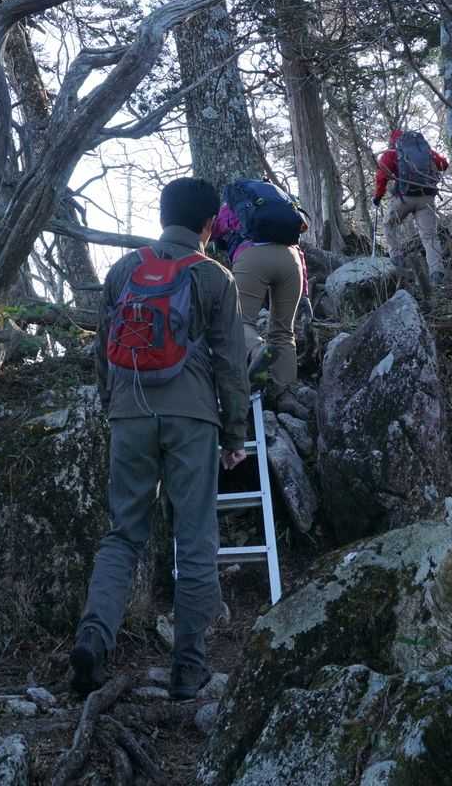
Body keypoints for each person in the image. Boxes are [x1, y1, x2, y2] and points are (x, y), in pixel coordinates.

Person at [72, 177, 249, 701]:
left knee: (123, 535)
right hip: (192, 417)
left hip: (129, 412)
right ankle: (189, 670)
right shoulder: (214, 276)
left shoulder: (123, 270)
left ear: (162, 216)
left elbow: (102, 349)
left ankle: (93, 640)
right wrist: (234, 432)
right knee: (194, 539)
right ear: (209, 224)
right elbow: (230, 362)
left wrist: (114, 406)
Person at [213, 181, 307, 390]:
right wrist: (306, 294)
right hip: (291, 260)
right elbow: (299, 248)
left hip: (253, 256)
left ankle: (257, 352)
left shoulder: (234, 205)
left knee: (239, 321)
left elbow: (212, 230)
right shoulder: (282, 205)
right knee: (284, 333)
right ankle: (286, 392)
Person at [373, 129, 450, 281]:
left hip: (404, 199)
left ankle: (397, 258)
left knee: (388, 224)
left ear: (393, 140)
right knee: (429, 236)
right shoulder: (425, 150)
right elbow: (444, 164)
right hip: (426, 197)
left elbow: (381, 176)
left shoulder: (392, 153)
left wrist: (378, 196)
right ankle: (437, 273)